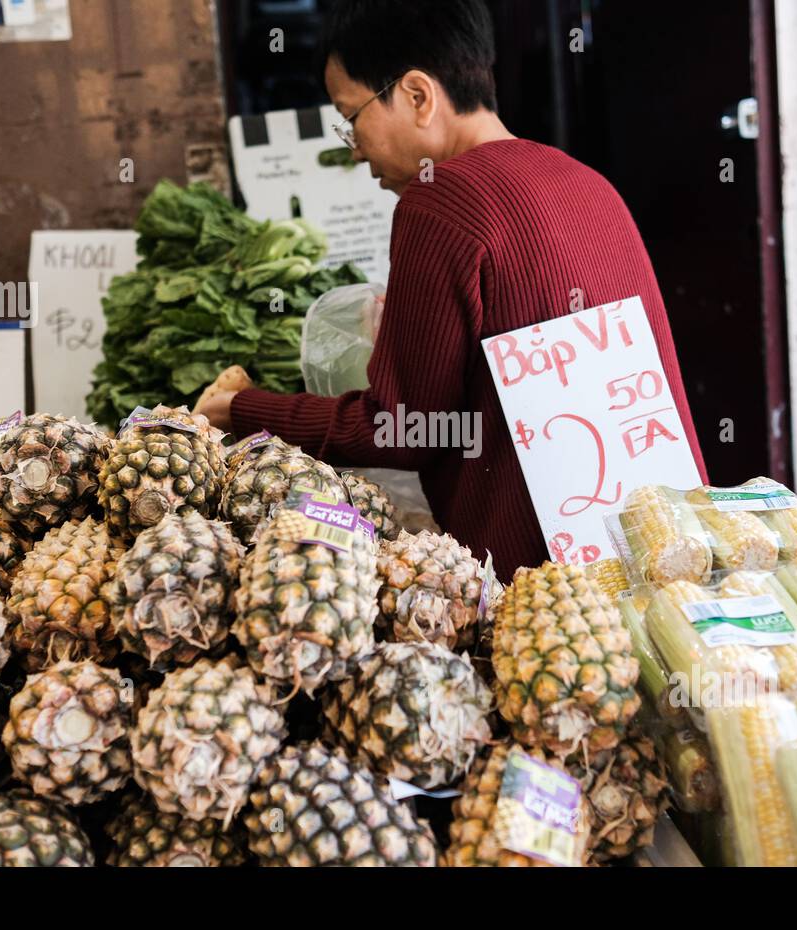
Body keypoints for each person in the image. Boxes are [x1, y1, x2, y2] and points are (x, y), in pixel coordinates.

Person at [197, 0, 706, 580]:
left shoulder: (439, 200)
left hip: (541, 584)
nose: (353, 148)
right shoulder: (585, 180)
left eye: (351, 116)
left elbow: (402, 428)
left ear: (417, 95)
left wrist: (242, 410)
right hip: (662, 552)